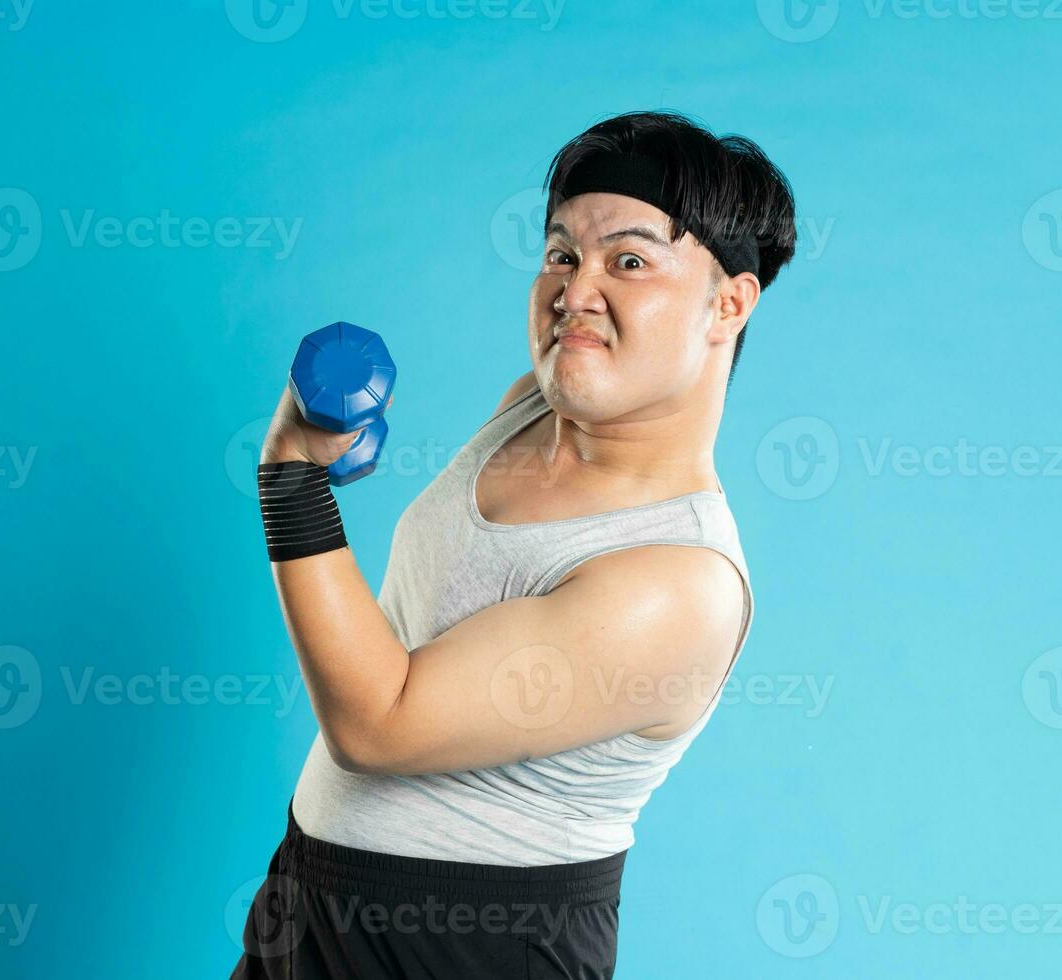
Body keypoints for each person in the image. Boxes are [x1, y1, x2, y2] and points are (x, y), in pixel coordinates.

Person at [232, 109, 798, 980]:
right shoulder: (531, 409)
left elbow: (377, 722)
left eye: (631, 260)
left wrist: (291, 480)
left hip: (466, 949)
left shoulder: (679, 585)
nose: (576, 290)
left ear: (728, 303)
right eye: (563, 254)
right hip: (311, 901)